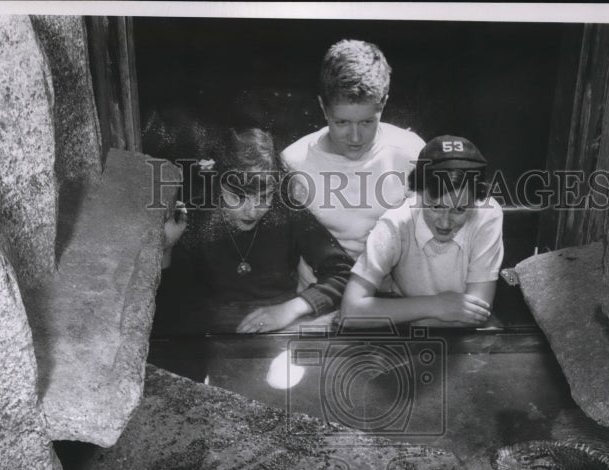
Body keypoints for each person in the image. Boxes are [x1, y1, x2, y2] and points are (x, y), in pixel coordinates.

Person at [155, 126, 354, 334]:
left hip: (279, 332)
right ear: (216, 183)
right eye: (237, 198)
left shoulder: (286, 212)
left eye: (264, 197)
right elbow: (171, 309)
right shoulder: (195, 216)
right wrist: (167, 248)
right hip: (211, 337)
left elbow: (344, 273)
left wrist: (291, 309)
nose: (252, 211)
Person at [281, 39, 425, 267]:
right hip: (319, 292)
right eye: (342, 122)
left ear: (384, 103)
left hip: (395, 295)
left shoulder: (413, 153)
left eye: (367, 122)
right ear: (322, 106)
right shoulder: (293, 163)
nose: (355, 137)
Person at [339, 135, 504, 328]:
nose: (445, 222)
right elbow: (350, 312)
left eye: (459, 210)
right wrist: (437, 305)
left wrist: (392, 315)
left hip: (449, 334)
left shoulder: (487, 215)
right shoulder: (395, 222)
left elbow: (477, 314)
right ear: (418, 192)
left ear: (477, 200)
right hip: (409, 337)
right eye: (435, 207)